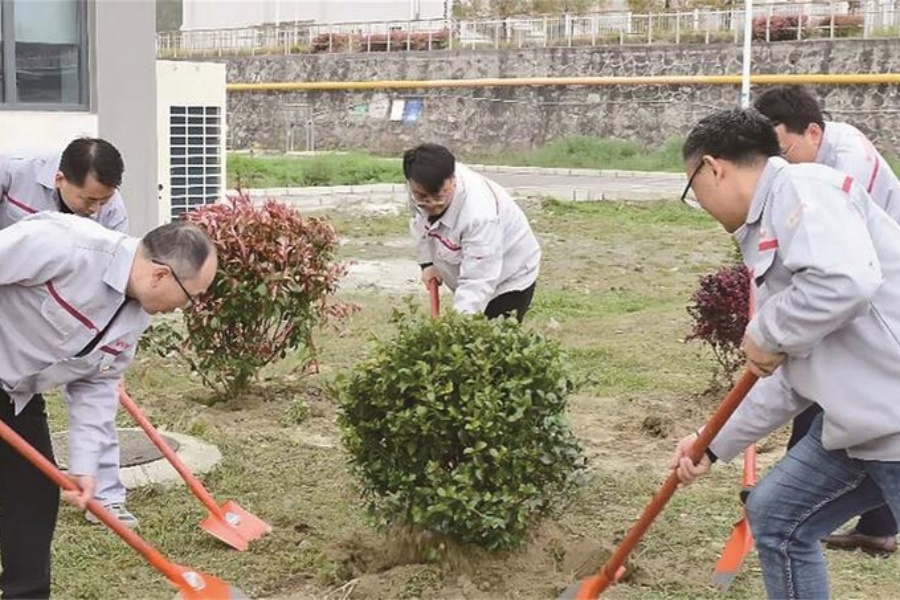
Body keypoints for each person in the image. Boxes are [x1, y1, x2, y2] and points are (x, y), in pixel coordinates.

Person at [671, 108, 900, 599]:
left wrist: (769, 331)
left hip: (892, 417)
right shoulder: (768, 227)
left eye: (693, 190)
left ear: (713, 168)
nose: (701, 205)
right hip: (858, 424)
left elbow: (846, 282)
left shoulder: (803, 189)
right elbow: (782, 372)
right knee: (777, 517)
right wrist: (710, 443)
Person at [0, 213, 217, 599]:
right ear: (161, 275)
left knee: (34, 494)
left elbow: (97, 385)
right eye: (190, 297)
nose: (185, 308)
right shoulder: (62, 245)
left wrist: (85, 465)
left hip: (16, 396)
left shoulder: (134, 318)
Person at [754, 85, 900, 553]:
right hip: (862, 306)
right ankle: (874, 526)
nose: (776, 169)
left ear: (813, 132)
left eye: (781, 154)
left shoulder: (835, 169)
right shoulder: (805, 169)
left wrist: (775, 328)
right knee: (831, 401)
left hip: (881, 302)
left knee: (834, 399)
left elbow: (839, 275)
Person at [0, 138, 138, 528]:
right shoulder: (13, 170)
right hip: (11, 289)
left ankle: (105, 496)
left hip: (57, 312)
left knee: (100, 387)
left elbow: (117, 278)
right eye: (88, 200)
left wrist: (107, 350)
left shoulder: (111, 208)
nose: (95, 209)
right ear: (59, 179)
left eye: (103, 201)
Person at [404, 143, 541, 322]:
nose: (431, 204)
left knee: (486, 334)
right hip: (471, 269)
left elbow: (477, 281)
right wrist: (427, 264)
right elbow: (418, 221)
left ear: (452, 179)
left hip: (508, 279)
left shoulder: (480, 215)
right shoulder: (417, 184)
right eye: (422, 196)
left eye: (438, 196)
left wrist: (459, 326)